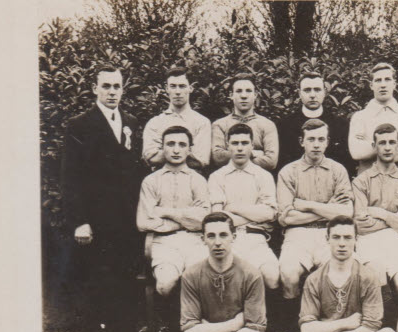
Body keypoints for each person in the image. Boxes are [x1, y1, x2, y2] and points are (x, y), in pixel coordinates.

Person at [148, 212, 284, 332]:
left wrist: (209, 330)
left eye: (223, 235)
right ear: (203, 239)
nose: (217, 242)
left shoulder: (251, 274)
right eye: (211, 236)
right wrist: (234, 324)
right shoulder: (192, 274)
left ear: (233, 237)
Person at [61, 64, 145, 332]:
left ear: (123, 89)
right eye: (106, 86)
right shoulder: (79, 125)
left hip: (125, 217)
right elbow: (71, 178)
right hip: (95, 218)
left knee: (123, 275)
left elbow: (134, 171)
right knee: (95, 278)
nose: (112, 92)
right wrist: (80, 221)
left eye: (117, 86)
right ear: (95, 88)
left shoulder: (132, 122)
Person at [277, 217, 398, 332]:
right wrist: (346, 323)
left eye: (348, 237)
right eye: (336, 237)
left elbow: (370, 329)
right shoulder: (315, 279)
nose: (342, 243)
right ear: (327, 240)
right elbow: (307, 330)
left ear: (356, 240)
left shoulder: (367, 277)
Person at [277, 119, 354, 302]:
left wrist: (308, 205)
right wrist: (329, 207)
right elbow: (287, 218)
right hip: (297, 235)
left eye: (321, 139)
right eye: (311, 139)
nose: (316, 145)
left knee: (337, 273)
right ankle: (294, 322)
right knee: (288, 273)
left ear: (327, 142)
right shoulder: (288, 172)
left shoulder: (338, 170)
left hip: (330, 233)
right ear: (302, 142)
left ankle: (329, 320)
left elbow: (347, 213)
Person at [353, 123, 398, 306]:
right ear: (374, 146)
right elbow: (361, 225)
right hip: (370, 242)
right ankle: (378, 325)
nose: (387, 147)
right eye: (382, 142)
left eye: (392, 142)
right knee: (377, 278)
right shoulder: (361, 182)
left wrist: (382, 214)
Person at [136, 126, 210, 303]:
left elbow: (203, 220)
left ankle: (195, 325)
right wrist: (186, 220)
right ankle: (169, 324)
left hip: (195, 241)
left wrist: (164, 212)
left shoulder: (198, 180)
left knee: (200, 282)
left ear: (189, 149)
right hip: (163, 243)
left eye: (182, 144)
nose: (176, 150)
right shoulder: (151, 180)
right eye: (170, 144)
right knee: (165, 284)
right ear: (162, 148)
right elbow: (144, 222)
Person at [208, 123, 280, 290]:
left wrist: (232, 208)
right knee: (228, 280)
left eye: (244, 143)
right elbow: (218, 218)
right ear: (227, 146)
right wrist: (253, 213)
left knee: (272, 276)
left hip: (257, 239)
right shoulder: (217, 177)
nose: (240, 148)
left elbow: (269, 213)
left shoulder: (264, 176)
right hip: (227, 241)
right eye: (235, 143)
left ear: (252, 146)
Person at [347, 62, 398, 176]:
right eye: (378, 80)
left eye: (387, 79)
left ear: (394, 84)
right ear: (371, 85)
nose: (383, 85)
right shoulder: (359, 117)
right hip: (368, 185)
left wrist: (371, 147)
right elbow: (357, 153)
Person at [142, 65, 211, 170]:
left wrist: (165, 151)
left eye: (182, 86)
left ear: (190, 88)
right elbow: (151, 158)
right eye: (173, 86)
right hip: (161, 182)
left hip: (191, 182)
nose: (178, 92)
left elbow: (201, 160)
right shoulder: (155, 123)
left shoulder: (202, 122)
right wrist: (187, 152)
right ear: (167, 89)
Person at [278, 71, 350, 171]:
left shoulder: (340, 125)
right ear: (299, 93)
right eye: (307, 90)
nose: (312, 95)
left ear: (324, 92)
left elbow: (346, 163)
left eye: (317, 90)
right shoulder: (284, 126)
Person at [211, 73, 279, 171]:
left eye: (248, 91)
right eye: (239, 91)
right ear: (231, 95)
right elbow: (218, 158)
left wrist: (233, 155)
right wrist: (254, 153)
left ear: (255, 95)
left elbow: (271, 162)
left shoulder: (267, 125)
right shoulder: (220, 125)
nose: (243, 96)